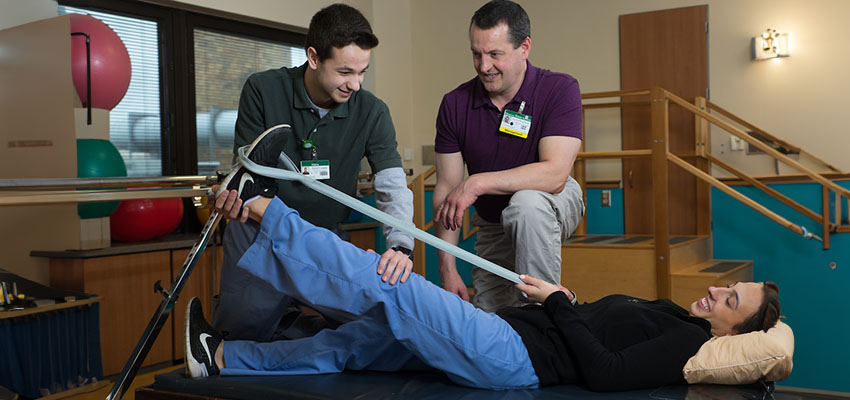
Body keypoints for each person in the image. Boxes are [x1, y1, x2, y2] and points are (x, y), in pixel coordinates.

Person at [186, 126, 782, 392]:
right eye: (729, 290)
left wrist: (557, 305)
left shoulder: (687, 348)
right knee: (359, 342)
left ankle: (261, 205)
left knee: (388, 284)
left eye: (731, 302)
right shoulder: (674, 316)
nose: (717, 295)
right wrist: (567, 305)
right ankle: (221, 358)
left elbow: (605, 374)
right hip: (507, 332)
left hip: (509, 355)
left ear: (736, 331)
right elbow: (598, 332)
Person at [213, 3, 415, 342]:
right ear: (314, 57)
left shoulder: (372, 112)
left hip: (326, 234)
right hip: (260, 231)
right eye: (346, 71)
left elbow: (391, 185)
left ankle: (291, 327)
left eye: (363, 71)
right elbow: (249, 176)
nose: (356, 84)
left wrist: (401, 245)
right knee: (241, 337)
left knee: (373, 331)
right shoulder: (263, 90)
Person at [433, 0, 585, 312]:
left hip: (552, 202)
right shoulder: (454, 103)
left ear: (524, 47)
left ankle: (545, 316)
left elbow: (555, 175)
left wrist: (476, 183)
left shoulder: (559, 88)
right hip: (491, 222)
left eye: (495, 54)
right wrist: (447, 271)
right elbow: (448, 191)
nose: (483, 65)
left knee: (526, 204)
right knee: (494, 320)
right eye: (476, 53)